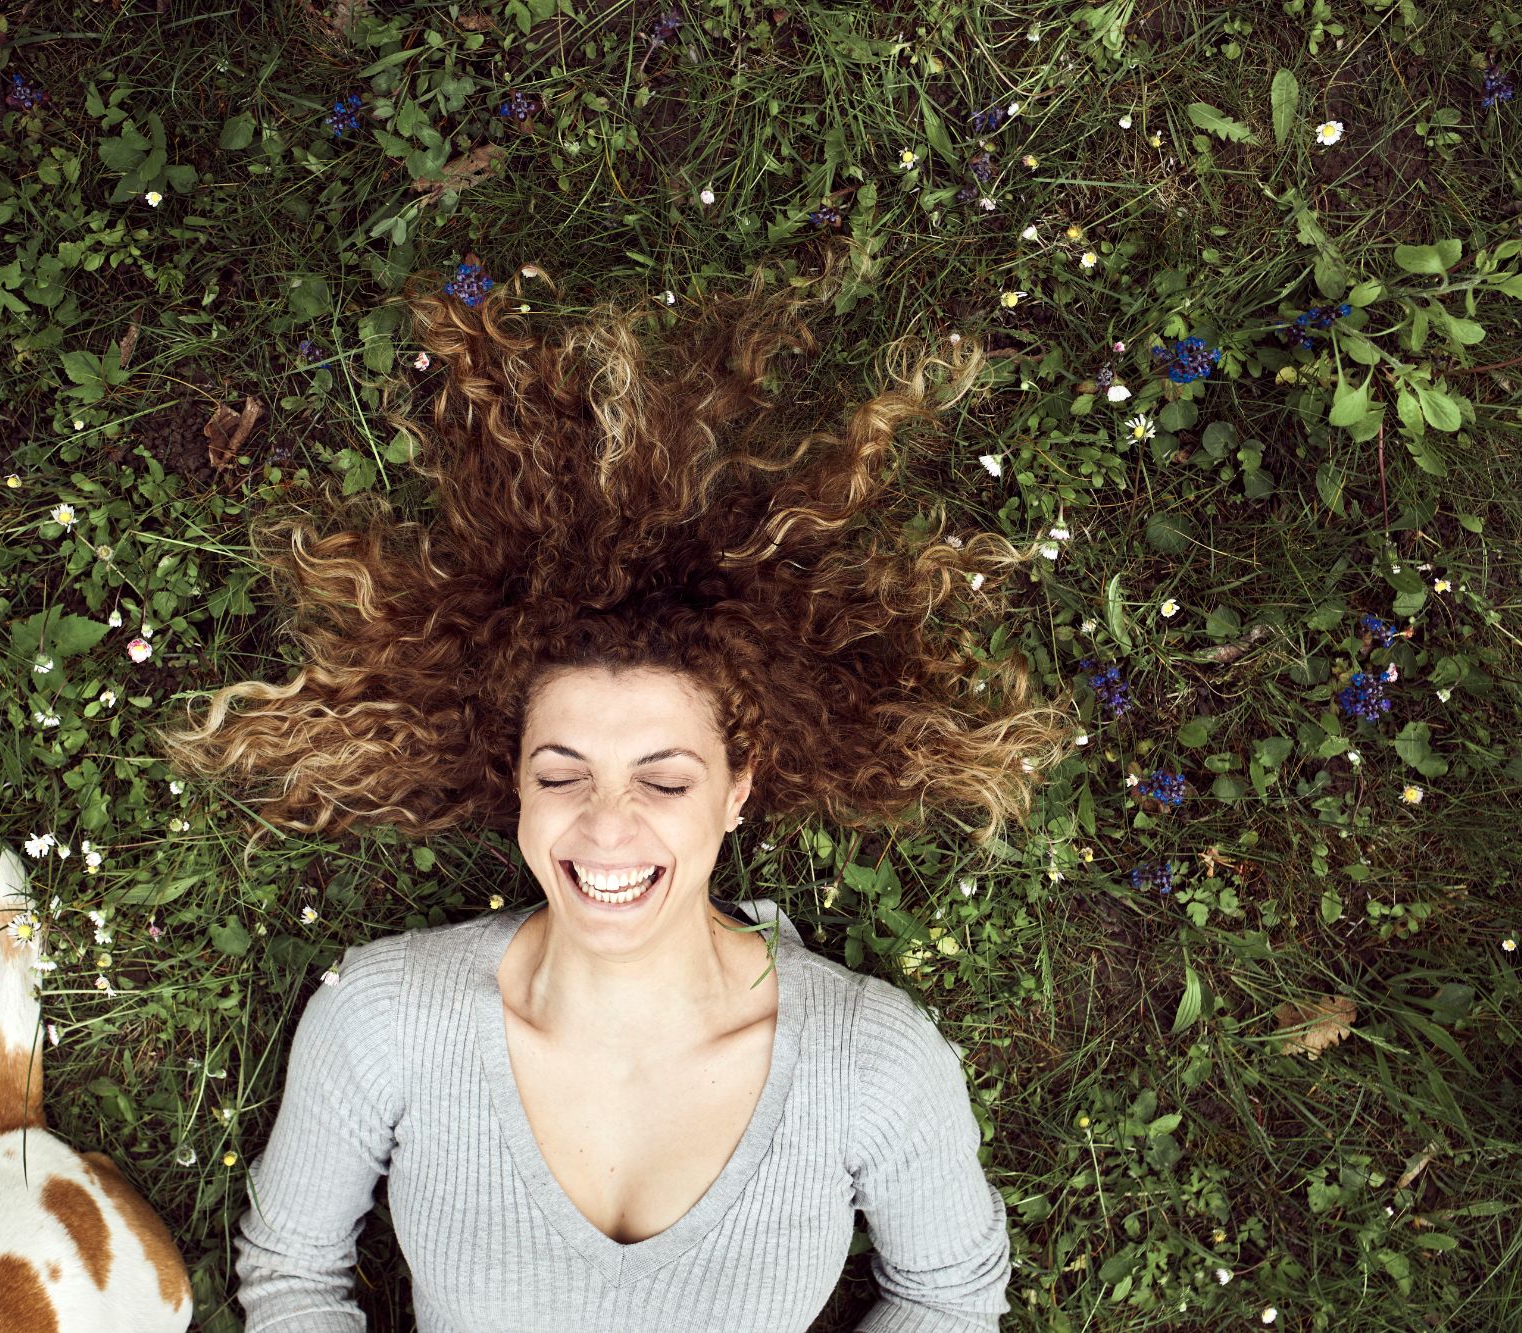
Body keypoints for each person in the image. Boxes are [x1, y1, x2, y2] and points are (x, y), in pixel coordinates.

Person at [153, 240, 1077, 1332]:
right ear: (513, 780)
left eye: (663, 779)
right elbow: (292, 1276)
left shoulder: (869, 1059)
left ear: (740, 787)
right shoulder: (382, 1021)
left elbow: (950, 1296)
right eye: (563, 772)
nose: (604, 824)